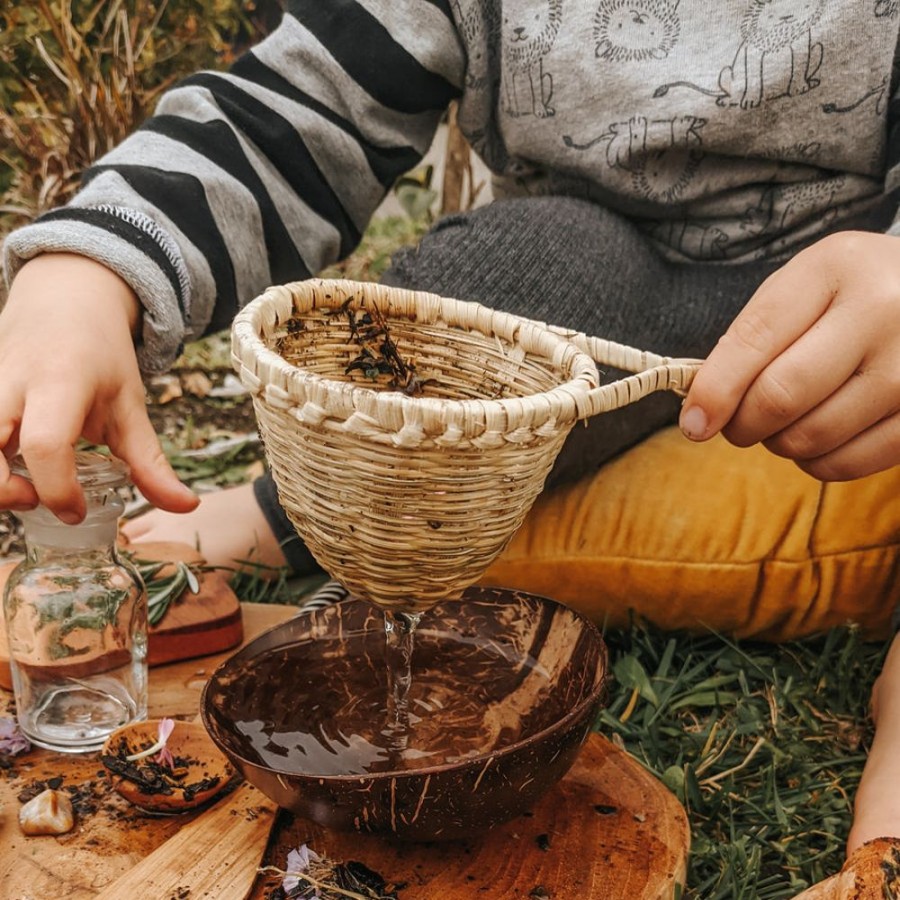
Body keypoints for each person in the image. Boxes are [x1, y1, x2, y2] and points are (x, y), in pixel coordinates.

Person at [2, 0, 900, 857]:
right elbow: (291, 117)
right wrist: (85, 271)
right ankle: (286, 513)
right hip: (581, 287)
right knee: (481, 286)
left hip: (838, 313)